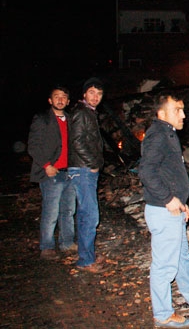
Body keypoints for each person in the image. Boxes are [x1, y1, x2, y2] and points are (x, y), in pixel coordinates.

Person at [138, 92, 189, 328]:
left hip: (173, 208)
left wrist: (181, 202)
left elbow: (167, 173)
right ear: (162, 114)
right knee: (164, 266)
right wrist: (169, 199)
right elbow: (146, 172)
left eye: (183, 109)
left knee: (181, 256)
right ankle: (162, 314)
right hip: (164, 211)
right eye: (177, 110)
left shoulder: (168, 133)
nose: (183, 114)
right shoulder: (158, 136)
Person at [28, 86, 77, 260]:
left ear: (68, 101)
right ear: (50, 100)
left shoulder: (71, 120)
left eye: (64, 97)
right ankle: (47, 246)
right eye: (56, 97)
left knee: (68, 210)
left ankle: (67, 243)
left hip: (70, 172)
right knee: (51, 211)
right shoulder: (42, 119)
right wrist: (47, 165)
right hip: (51, 173)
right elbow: (33, 145)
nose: (60, 100)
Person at [68, 77, 106, 273]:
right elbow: (77, 141)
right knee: (90, 216)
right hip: (83, 169)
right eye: (92, 92)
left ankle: (86, 255)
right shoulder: (82, 113)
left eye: (99, 94)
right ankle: (85, 260)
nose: (95, 97)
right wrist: (92, 164)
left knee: (85, 214)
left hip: (84, 169)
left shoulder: (88, 113)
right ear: (84, 94)